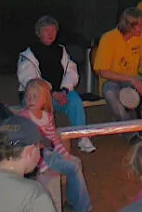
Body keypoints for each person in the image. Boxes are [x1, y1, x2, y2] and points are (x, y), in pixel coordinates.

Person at [20, 78, 102, 212]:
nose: (30, 100)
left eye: (35, 96)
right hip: (38, 157)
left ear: (43, 99)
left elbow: (53, 139)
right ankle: (82, 209)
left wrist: (65, 154)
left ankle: (72, 200)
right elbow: (28, 142)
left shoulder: (47, 116)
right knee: (74, 166)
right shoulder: (25, 117)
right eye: (28, 96)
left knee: (75, 162)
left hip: (49, 153)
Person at [17, 15, 95, 154]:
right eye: (46, 30)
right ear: (38, 33)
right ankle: (43, 142)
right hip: (35, 96)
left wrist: (64, 91)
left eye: (53, 30)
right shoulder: (28, 54)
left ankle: (82, 137)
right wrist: (52, 92)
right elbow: (29, 79)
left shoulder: (61, 51)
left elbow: (71, 72)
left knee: (74, 100)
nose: (50, 34)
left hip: (60, 94)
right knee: (40, 101)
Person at [92, 7, 142, 124]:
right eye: (140, 26)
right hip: (112, 81)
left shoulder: (141, 37)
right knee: (109, 91)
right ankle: (129, 131)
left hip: (134, 79)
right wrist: (131, 79)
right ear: (129, 25)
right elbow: (102, 72)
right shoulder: (108, 38)